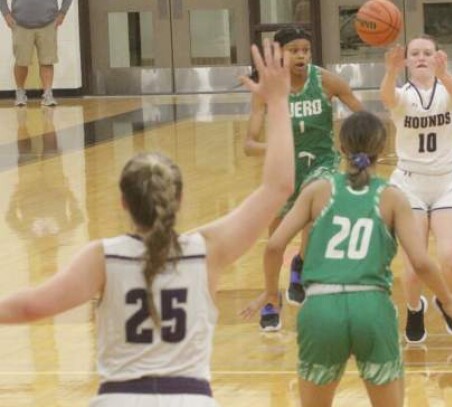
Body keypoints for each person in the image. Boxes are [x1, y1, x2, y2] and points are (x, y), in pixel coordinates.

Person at [0, 40, 294, 407]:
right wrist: (278, 103)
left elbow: (30, 308)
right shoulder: (207, 250)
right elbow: (278, 186)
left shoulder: (102, 258)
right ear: (180, 200)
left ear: (123, 202)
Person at [241, 110, 452, 407]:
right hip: (371, 308)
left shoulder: (318, 191)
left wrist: (272, 293)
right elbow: (421, 262)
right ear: (382, 150)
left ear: (341, 149)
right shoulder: (392, 197)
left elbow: (273, 246)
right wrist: (448, 300)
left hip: (321, 308)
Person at [244, 26, 363, 331]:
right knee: (274, 244)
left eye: (305, 50)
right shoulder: (269, 89)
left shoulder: (326, 81)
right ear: (280, 53)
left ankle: (303, 261)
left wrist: (358, 145)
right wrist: (277, 146)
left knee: (314, 206)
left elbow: (363, 116)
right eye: (293, 50)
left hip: (321, 164)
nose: (301, 55)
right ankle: (273, 297)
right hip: (282, 172)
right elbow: (249, 144)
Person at [379, 35, 452, 343]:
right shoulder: (403, 94)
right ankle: (414, 308)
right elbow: (387, 98)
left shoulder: (448, 90)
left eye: (427, 53)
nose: (420, 57)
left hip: (447, 182)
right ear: (406, 60)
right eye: (414, 53)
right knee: (415, 266)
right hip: (409, 184)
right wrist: (390, 71)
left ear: (437, 57)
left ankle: (447, 300)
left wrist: (445, 74)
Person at [0, 0, 73, 107]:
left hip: (48, 23)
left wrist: (63, 12)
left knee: (47, 61)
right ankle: (20, 93)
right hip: (20, 24)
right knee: (21, 62)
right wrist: (6, 13)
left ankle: (48, 94)